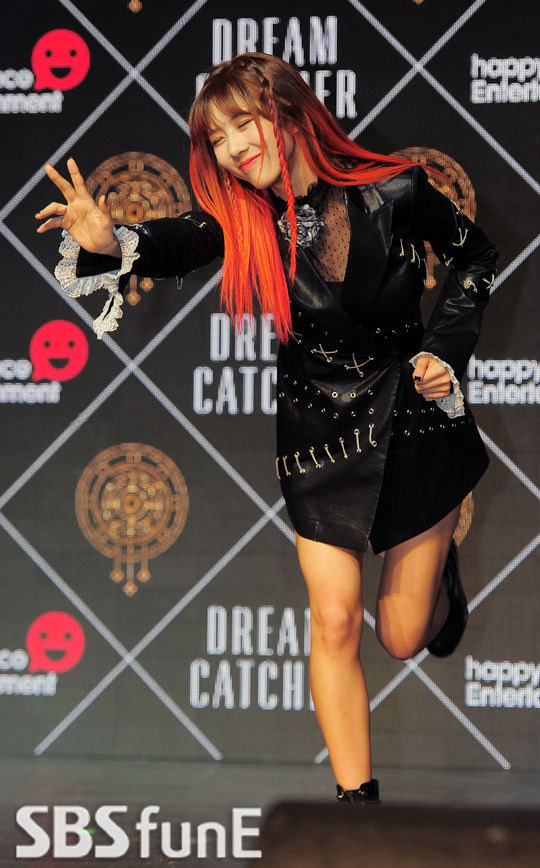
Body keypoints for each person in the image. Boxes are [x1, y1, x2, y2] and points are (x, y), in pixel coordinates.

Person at [36, 52, 498, 805]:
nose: (231, 149)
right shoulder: (242, 218)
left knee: (401, 636)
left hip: (414, 420)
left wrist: (445, 349)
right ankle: (356, 811)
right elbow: (177, 240)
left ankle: (442, 580)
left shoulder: (397, 188)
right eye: (216, 140)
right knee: (334, 619)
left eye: (240, 125)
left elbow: (476, 256)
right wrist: (111, 241)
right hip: (319, 436)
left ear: (285, 110)